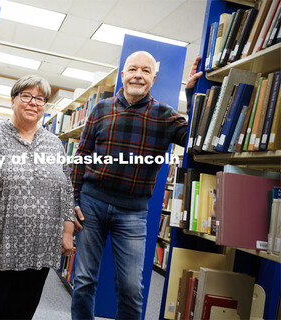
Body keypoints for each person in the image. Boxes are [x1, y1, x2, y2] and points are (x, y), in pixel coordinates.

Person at [70, 51, 202, 319]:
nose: (138, 75)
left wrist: (191, 95)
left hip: (132, 213)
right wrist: (73, 200)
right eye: (132, 69)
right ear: (123, 75)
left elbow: (195, 139)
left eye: (145, 71)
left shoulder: (164, 115)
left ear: (153, 78)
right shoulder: (101, 108)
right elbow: (81, 155)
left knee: (131, 288)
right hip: (91, 205)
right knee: (84, 280)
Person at [0, 75, 75, 319]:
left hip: (40, 249)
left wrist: (67, 232)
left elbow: (66, 190)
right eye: (27, 96)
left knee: (21, 313)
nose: (34, 103)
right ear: (13, 101)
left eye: (40, 99)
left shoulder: (54, 144)